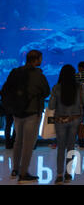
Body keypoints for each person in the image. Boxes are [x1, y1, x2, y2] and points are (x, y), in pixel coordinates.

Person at [11, 50, 50, 183]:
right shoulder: (38, 75)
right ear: (36, 59)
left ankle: (15, 169)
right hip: (32, 112)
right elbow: (46, 91)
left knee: (18, 141)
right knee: (28, 144)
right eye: (41, 58)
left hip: (17, 112)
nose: (41, 60)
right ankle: (23, 173)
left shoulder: (15, 72)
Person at [48, 65, 84, 185]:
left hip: (60, 120)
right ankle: (68, 174)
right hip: (75, 119)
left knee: (61, 147)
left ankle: (59, 175)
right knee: (71, 147)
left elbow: (51, 106)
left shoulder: (56, 88)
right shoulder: (80, 87)